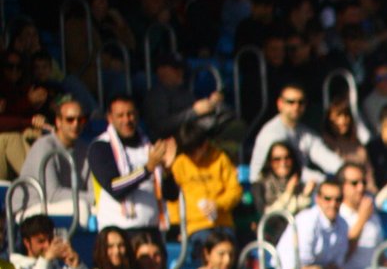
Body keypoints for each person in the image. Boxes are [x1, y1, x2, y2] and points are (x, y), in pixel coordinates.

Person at [87, 95, 179, 233]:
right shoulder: (100, 147)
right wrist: (148, 168)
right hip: (118, 233)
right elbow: (115, 188)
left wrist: (167, 171)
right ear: (110, 118)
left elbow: (171, 195)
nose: (126, 120)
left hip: (152, 230)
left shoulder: (151, 145)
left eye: (130, 114)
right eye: (120, 115)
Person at [17, 97, 92, 225]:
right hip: (31, 208)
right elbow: (52, 194)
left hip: (63, 205)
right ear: (58, 122)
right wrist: (97, 199)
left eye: (81, 120)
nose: (76, 124)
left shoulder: (86, 149)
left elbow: (93, 189)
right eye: (70, 119)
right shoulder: (44, 146)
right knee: (82, 207)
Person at [249, 85, 345, 183]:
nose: (296, 106)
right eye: (291, 102)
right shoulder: (271, 134)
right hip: (271, 191)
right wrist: (323, 179)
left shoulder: (306, 133)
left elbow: (325, 157)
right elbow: (289, 171)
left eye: (301, 102)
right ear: (280, 104)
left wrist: (345, 171)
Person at [167, 121, 241, 236]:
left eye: (193, 152)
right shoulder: (180, 163)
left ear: (204, 145)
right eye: (187, 153)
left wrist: (217, 204)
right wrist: (177, 227)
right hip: (194, 227)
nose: (191, 157)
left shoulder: (220, 159)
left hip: (222, 223)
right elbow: (173, 200)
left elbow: (235, 191)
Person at [254, 141, 315, 216]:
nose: (283, 163)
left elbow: (302, 215)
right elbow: (269, 216)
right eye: (277, 159)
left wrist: (305, 195)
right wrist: (288, 193)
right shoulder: (261, 185)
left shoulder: (298, 182)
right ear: (270, 162)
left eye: (287, 158)